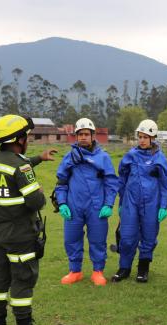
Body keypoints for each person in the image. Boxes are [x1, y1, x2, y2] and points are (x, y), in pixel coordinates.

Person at [0, 114, 57, 325]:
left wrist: (38, 159)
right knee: (23, 277)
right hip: (20, 234)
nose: (28, 139)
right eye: (26, 136)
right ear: (19, 139)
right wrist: (41, 192)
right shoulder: (21, 168)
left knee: (0, 275)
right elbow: (36, 201)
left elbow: (16, 164)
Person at [55, 118, 119, 286]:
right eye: (80, 134)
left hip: (96, 207)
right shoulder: (69, 157)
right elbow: (61, 182)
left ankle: (97, 271)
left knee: (98, 240)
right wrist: (62, 203)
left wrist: (108, 204)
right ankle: (75, 271)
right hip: (73, 206)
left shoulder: (103, 158)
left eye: (86, 134)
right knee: (71, 239)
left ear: (92, 136)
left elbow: (111, 183)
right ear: (76, 136)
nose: (83, 137)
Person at [111, 119, 167, 283]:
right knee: (127, 236)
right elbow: (122, 179)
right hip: (130, 203)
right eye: (140, 136)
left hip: (151, 204)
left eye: (146, 137)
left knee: (149, 236)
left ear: (153, 138)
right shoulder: (130, 156)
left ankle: (143, 268)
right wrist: (122, 202)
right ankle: (124, 268)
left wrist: (164, 206)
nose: (142, 140)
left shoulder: (159, 158)